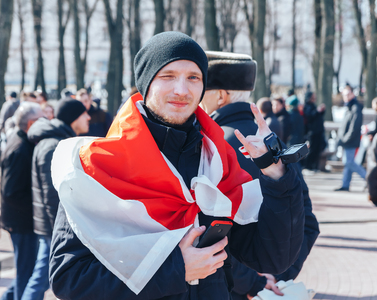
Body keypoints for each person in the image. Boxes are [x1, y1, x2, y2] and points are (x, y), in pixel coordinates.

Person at [49, 32, 304, 299]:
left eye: (193, 77)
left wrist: (276, 174)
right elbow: (69, 279)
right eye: (167, 76)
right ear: (146, 84)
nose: (181, 90)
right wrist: (176, 270)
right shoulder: (96, 167)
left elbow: (271, 258)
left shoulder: (218, 161)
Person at [200, 50, 319, 300]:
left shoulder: (209, 144)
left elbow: (209, 233)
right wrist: (277, 276)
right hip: (267, 287)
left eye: (202, 88)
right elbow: (307, 222)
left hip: (225, 287)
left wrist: (253, 282)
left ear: (220, 95)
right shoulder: (274, 144)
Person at [24, 99, 90, 299]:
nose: (88, 117)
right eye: (83, 113)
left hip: (50, 225)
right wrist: (60, 232)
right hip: (52, 227)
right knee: (41, 279)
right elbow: (52, 194)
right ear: (73, 118)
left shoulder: (57, 140)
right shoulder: (53, 145)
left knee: (41, 277)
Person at [0, 102, 43, 300]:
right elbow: (11, 192)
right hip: (22, 222)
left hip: (22, 220)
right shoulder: (19, 148)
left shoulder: (22, 142)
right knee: (26, 273)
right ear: (32, 122)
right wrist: (37, 206)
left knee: (26, 271)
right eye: (42, 119)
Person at [335, 85, 366, 191]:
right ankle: (345, 184)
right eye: (344, 95)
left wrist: (346, 138)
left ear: (353, 94)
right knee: (348, 162)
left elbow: (355, 126)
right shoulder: (349, 106)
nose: (345, 96)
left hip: (350, 140)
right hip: (347, 139)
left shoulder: (355, 107)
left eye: (348, 94)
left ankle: (368, 178)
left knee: (349, 162)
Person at [303, 91, 326, 171]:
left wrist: (322, 111)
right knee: (311, 150)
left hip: (318, 132)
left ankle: (314, 166)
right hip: (312, 132)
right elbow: (310, 116)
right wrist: (318, 111)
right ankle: (308, 166)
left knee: (317, 150)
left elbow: (318, 116)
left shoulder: (313, 106)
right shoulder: (307, 106)